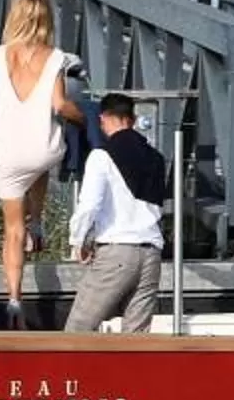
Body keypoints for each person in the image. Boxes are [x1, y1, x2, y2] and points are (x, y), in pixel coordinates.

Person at [0, 0, 85, 320]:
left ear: (14, 18)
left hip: (7, 154)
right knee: (40, 162)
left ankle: (15, 299)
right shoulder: (56, 57)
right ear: (46, 20)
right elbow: (61, 105)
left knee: (13, 231)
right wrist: (86, 118)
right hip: (44, 149)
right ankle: (39, 221)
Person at [66, 93, 169, 333]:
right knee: (135, 339)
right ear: (132, 119)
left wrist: (78, 240)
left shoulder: (101, 155)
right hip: (151, 253)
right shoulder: (157, 158)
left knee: (77, 331)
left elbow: (89, 205)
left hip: (117, 252)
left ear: (103, 118)